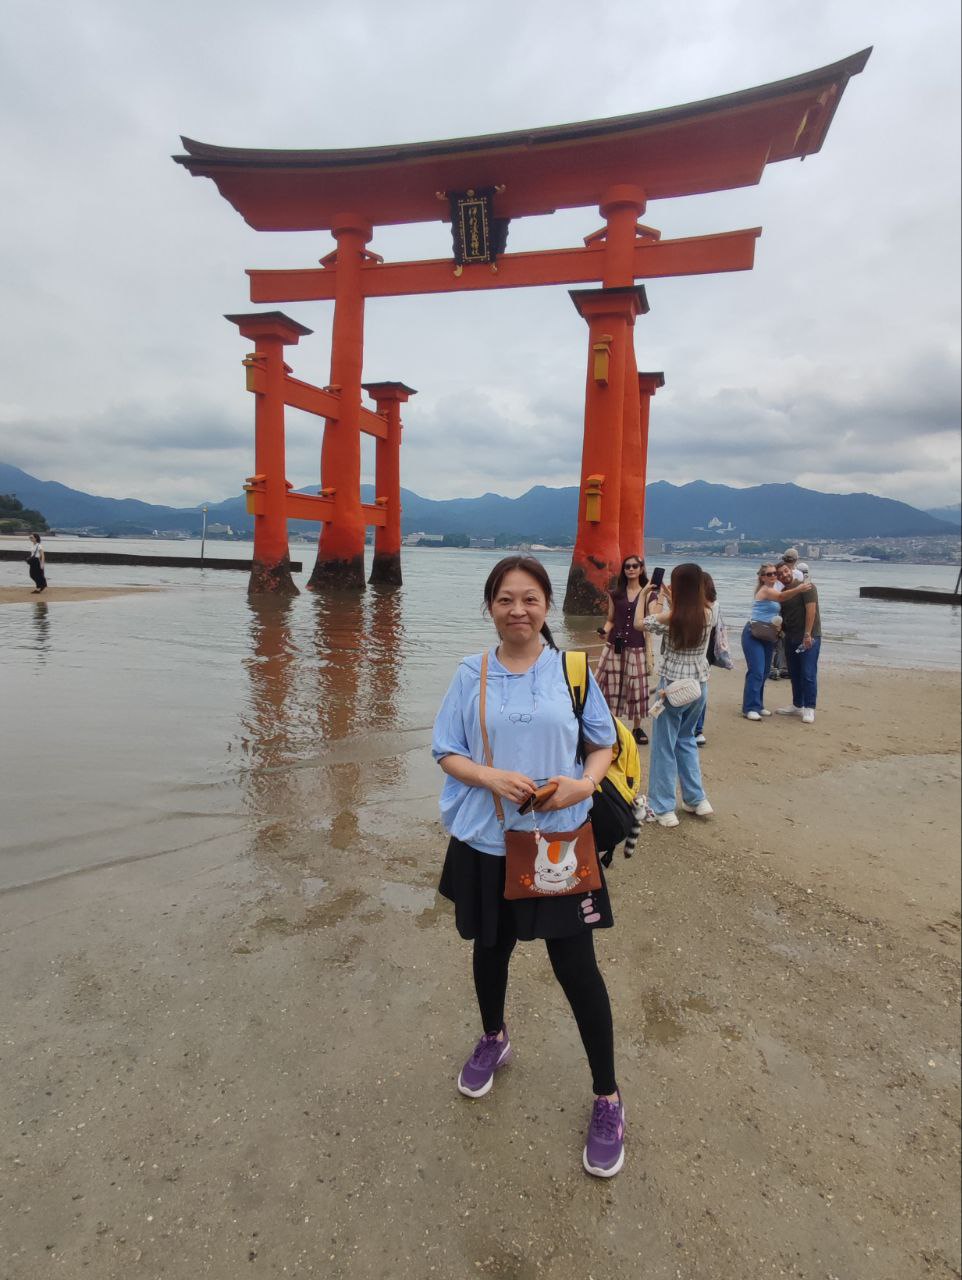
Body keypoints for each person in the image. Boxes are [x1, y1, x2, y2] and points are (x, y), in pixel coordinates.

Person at [432, 556, 626, 1178]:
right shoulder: (471, 673)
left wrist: (581, 786)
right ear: (490, 606)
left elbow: (603, 743)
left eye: (530, 599)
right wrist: (488, 776)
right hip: (487, 841)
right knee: (490, 948)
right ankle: (494, 1037)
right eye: (505, 599)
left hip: (557, 843)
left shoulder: (572, 670)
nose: (518, 610)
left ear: (547, 606)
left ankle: (607, 1097)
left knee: (577, 968)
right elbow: (446, 750)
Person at [639, 562, 716, 826]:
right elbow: (688, 611)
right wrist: (673, 598)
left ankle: (662, 807)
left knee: (663, 746)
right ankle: (696, 799)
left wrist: (646, 595)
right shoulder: (710, 613)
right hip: (698, 686)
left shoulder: (671, 619)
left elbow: (641, 623)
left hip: (672, 687)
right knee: (686, 739)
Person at [595, 554, 653, 745]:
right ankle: (611, 725)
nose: (631, 569)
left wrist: (659, 596)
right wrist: (605, 631)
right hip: (614, 645)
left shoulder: (649, 594)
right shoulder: (615, 594)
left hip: (637, 646)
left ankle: (637, 727)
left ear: (641, 569)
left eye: (635, 566)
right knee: (610, 685)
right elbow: (611, 619)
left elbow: (654, 617)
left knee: (636, 687)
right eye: (627, 566)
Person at [742, 564, 811, 720]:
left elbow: (781, 600)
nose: (773, 576)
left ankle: (758, 705)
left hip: (768, 634)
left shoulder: (774, 589)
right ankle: (749, 708)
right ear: (762, 577)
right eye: (769, 574)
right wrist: (800, 588)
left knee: (764, 671)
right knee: (756, 671)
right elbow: (781, 597)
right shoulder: (765, 590)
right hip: (754, 633)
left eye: (774, 573)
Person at [774, 560, 821, 723]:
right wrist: (779, 630)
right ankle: (797, 704)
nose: (784, 575)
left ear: (791, 570)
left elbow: (811, 611)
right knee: (794, 672)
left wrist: (807, 634)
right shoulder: (783, 594)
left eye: (786, 571)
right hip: (791, 637)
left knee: (808, 672)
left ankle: (809, 707)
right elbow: (785, 616)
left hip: (809, 637)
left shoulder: (807, 587)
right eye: (780, 574)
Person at [693, 572, 732, 746]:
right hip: (701, 653)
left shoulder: (712, 606)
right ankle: (695, 729)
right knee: (697, 691)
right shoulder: (706, 605)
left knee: (699, 691)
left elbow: (709, 624)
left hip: (703, 654)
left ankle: (697, 729)